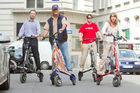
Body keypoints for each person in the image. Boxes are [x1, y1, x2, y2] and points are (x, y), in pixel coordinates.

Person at [43, 5, 72, 72]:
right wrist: (44, 36)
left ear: (58, 10)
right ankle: (54, 70)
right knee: (54, 56)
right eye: (54, 10)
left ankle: (69, 70)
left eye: (56, 9)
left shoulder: (62, 17)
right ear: (52, 10)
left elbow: (64, 24)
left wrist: (62, 29)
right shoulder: (49, 20)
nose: (55, 11)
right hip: (53, 40)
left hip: (62, 40)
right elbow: (46, 29)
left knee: (65, 55)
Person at [17, 10, 43, 77]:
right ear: (29, 14)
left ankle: (38, 68)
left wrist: (37, 34)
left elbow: (38, 30)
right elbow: (22, 30)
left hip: (34, 39)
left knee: (36, 54)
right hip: (26, 39)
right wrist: (19, 36)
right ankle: (24, 66)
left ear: (35, 15)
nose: (32, 15)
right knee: (24, 52)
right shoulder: (26, 22)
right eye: (31, 13)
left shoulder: (36, 22)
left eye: (34, 14)